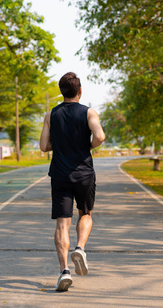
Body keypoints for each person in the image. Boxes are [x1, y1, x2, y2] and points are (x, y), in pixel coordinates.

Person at [39, 72, 105, 291]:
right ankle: (80, 247)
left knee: (62, 223)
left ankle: (64, 271)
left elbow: (43, 146)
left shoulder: (51, 115)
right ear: (80, 91)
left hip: (59, 174)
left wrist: (60, 145)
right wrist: (87, 146)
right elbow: (100, 136)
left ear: (61, 92)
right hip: (84, 173)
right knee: (85, 214)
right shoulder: (89, 113)